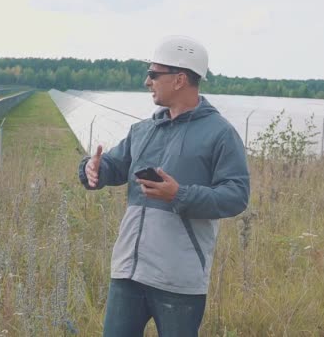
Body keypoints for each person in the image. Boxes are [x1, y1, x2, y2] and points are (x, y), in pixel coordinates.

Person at [78, 35, 250, 337]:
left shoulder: (220, 133)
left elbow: (236, 195)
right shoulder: (143, 130)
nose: (147, 81)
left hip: (178, 281)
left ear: (180, 79)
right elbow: (114, 166)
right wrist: (93, 168)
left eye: (154, 74)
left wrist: (180, 195)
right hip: (128, 272)